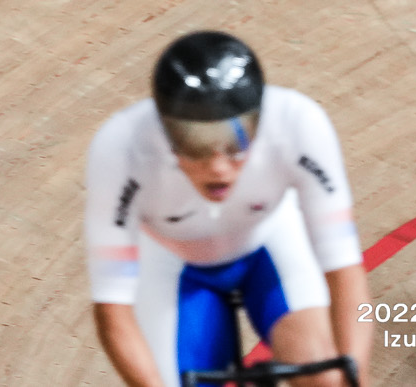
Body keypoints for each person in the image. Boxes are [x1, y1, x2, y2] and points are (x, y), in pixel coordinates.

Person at [87, 32, 372, 387]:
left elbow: (345, 273)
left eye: (237, 141)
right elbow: (112, 307)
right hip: (172, 266)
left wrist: (352, 375)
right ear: (165, 129)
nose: (218, 167)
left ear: (260, 120)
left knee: (327, 379)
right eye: (195, 143)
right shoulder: (121, 149)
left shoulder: (299, 123)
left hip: (269, 241)